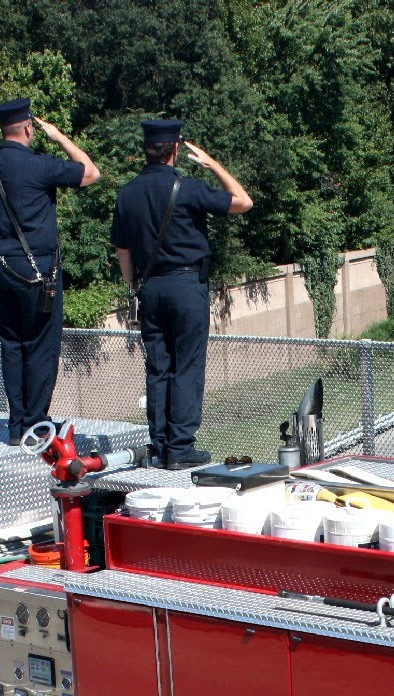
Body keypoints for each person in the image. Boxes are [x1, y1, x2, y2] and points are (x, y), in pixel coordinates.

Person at [111, 119, 252, 470]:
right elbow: (243, 201)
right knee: (186, 367)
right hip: (186, 286)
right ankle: (180, 448)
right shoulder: (187, 188)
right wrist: (213, 164)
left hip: (150, 288)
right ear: (175, 150)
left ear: (147, 149)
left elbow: (123, 251)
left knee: (158, 368)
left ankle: (158, 445)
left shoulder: (127, 194)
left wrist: (134, 290)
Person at [0, 98, 100, 444]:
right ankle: (36, 423)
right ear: (27, 128)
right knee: (40, 344)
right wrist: (60, 138)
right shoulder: (39, 165)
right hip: (36, 269)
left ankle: (15, 424)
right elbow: (91, 172)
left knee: (11, 344)